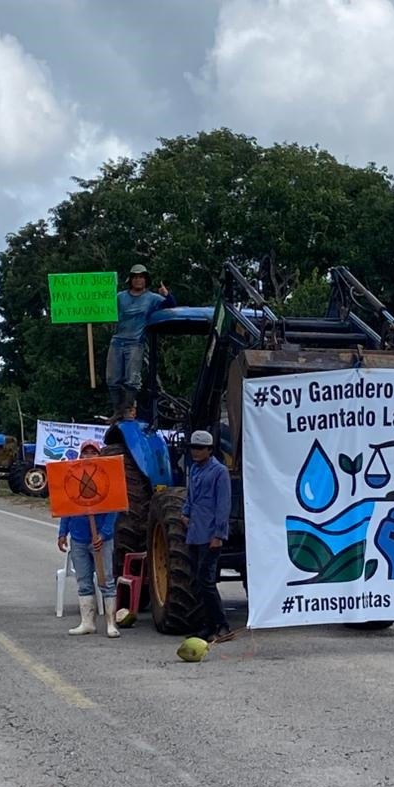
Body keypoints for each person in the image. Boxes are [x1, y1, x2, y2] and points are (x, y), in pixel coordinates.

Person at [56, 441, 120, 636]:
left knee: (106, 580)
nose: (89, 455)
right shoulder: (73, 478)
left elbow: (113, 509)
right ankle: (87, 622)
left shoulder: (106, 478)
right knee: (83, 580)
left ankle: (111, 623)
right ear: (81, 455)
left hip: (101, 539)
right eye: (86, 452)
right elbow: (66, 507)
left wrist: (104, 534)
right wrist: (62, 533)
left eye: (93, 452)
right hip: (78, 538)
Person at [181, 429, 232, 642]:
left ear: (210, 450)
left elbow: (223, 504)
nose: (196, 451)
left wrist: (219, 534)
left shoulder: (219, 472)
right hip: (194, 532)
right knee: (197, 581)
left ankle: (221, 624)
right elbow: (190, 496)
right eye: (193, 447)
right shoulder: (193, 469)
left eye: (200, 448)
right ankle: (206, 624)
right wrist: (185, 512)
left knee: (207, 581)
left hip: (211, 534)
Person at [106, 263, 174, 420]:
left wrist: (167, 294)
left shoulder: (152, 298)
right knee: (112, 380)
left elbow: (171, 306)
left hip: (135, 343)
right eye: (135, 277)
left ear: (146, 280)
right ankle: (117, 411)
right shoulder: (120, 297)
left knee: (132, 380)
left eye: (141, 277)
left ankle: (127, 409)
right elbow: (102, 308)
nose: (138, 280)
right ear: (130, 279)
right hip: (117, 341)